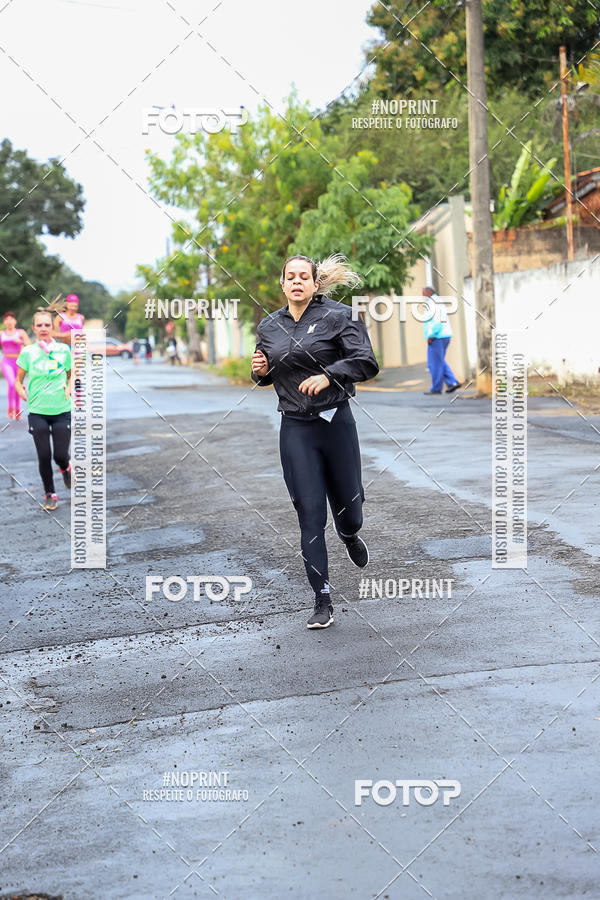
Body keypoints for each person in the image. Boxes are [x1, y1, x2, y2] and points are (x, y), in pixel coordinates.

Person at [251, 253, 379, 630]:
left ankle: (350, 532)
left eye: (303, 277)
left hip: (335, 422)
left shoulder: (340, 316)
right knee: (310, 515)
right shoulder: (269, 326)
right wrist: (259, 372)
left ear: (314, 283)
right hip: (295, 428)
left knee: (350, 509)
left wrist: (329, 375)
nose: (296, 282)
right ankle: (321, 599)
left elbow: (367, 361)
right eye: (290, 276)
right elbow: (268, 374)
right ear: (282, 283)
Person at [15, 302, 73, 511]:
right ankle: (50, 494)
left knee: (59, 455)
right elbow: (18, 379)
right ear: (33, 328)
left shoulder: (63, 350)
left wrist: (68, 388)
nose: (43, 329)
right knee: (43, 455)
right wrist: (21, 390)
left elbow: (70, 374)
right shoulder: (28, 352)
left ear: (52, 327)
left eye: (47, 325)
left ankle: (66, 468)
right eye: (39, 325)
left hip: (61, 411)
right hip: (37, 411)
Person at [421, 285, 461, 395]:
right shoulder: (437, 301)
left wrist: (431, 336)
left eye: (423, 294)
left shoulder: (433, 303)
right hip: (443, 335)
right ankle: (452, 382)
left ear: (428, 293)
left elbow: (438, 322)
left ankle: (436, 388)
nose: (422, 296)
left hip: (437, 337)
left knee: (433, 363)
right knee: (439, 361)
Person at [1, 311, 30, 419]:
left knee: (18, 384)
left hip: (19, 361)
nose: (9, 322)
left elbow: (30, 345)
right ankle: (10, 407)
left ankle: (17, 409)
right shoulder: (1, 333)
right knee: (12, 384)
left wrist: (21, 342)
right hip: (6, 361)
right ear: (4, 321)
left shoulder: (20, 332)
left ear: (15, 321)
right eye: (6, 319)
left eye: (11, 319)